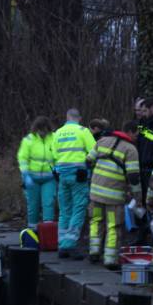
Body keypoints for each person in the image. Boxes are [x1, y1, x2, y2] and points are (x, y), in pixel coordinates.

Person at [86, 120, 142, 268]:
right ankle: (110, 259)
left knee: (95, 221)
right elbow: (134, 177)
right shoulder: (131, 149)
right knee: (113, 226)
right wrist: (137, 197)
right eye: (136, 135)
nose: (137, 138)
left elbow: (88, 161)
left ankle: (94, 252)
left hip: (95, 193)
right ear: (130, 132)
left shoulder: (102, 141)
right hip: (114, 196)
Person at [53, 108, 96, 258]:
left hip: (61, 175)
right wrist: (89, 165)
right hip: (79, 175)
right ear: (79, 118)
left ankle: (62, 243)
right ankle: (70, 244)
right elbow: (94, 150)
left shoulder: (57, 133)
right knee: (78, 208)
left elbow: (53, 155)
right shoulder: (83, 131)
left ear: (67, 117)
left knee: (65, 210)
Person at [16, 116, 57, 231]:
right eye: (40, 130)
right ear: (36, 129)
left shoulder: (54, 138)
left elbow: (58, 156)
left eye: (44, 130)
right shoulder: (29, 140)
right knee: (33, 205)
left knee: (48, 204)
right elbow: (22, 158)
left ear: (48, 128)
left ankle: (48, 232)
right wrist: (25, 175)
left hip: (49, 178)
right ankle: (32, 231)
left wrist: (57, 169)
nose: (42, 132)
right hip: (32, 178)